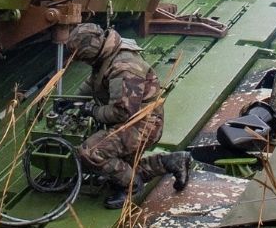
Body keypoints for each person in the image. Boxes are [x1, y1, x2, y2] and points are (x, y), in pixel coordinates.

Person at [65, 23, 193, 208]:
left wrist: (91, 110)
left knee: (90, 152)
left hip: (142, 125)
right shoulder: (108, 53)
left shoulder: (124, 66)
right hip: (133, 120)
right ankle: (171, 162)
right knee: (121, 166)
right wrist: (71, 101)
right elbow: (93, 82)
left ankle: (131, 186)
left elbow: (122, 111)